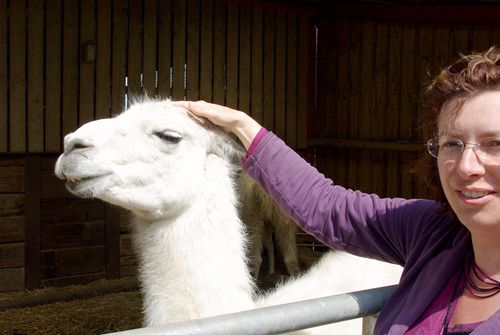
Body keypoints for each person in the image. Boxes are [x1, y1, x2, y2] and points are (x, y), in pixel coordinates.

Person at [172, 47, 500, 334]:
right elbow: (329, 207)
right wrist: (245, 128)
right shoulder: (430, 232)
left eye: (495, 144)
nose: (466, 166)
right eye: (452, 144)